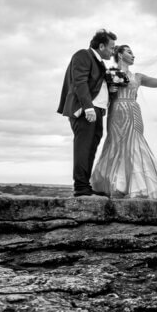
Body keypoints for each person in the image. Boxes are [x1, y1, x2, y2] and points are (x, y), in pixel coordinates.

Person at [90, 45, 157, 200]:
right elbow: (101, 92)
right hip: (116, 111)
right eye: (129, 52)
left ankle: (137, 187)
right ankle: (115, 185)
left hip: (133, 111)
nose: (133, 55)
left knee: (136, 144)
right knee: (115, 144)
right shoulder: (110, 72)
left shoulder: (138, 76)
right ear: (119, 54)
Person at [57, 29, 117, 197]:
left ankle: (85, 186)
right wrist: (88, 107)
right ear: (101, 46)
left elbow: (96, 84)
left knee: (91, 148)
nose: (113, 51)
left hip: (97, 111)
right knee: (83, 148)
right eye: (112, 47)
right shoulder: (83, 55)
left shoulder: (99, 62)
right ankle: (80, 188)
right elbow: (80, 81)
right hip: (85, 111)